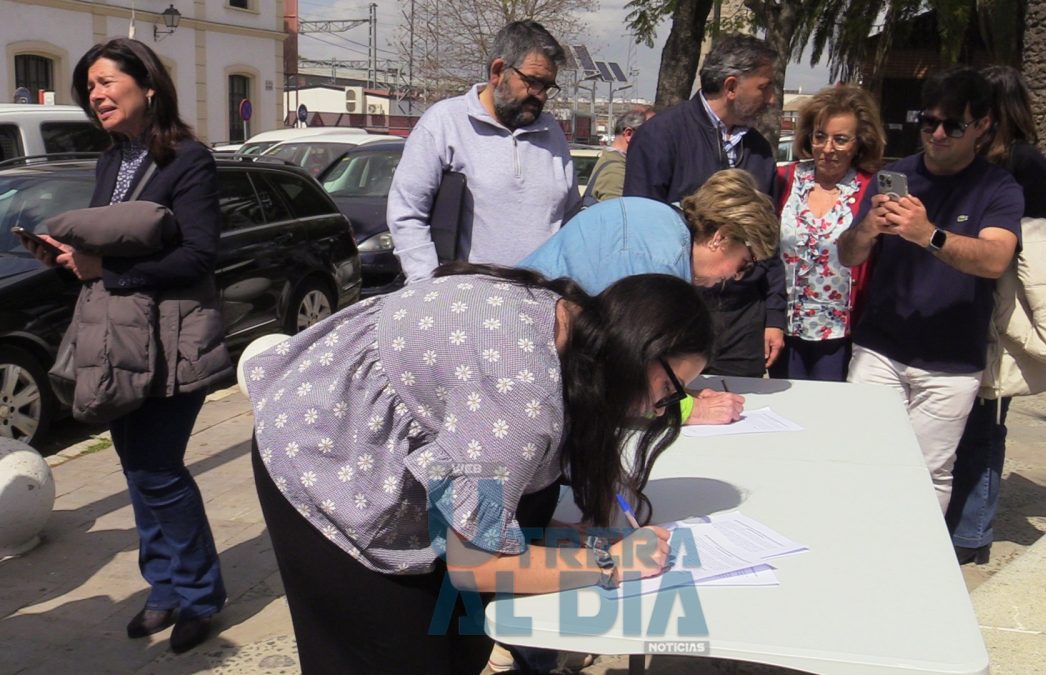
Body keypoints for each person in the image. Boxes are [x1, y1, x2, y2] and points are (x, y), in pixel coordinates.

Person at [244, 265, 713, 672]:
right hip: (320, 457)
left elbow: (478, 489)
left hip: (355, 432)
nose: (662, 410)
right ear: (640, 350)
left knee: (456, 643)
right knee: (388, 655)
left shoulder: (569, 321)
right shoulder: (522, 398)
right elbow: (475, 565)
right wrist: (610, 562)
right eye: (673, 389)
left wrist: (568, 537)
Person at [23, 39, 232, 653]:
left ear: (148, 86)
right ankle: (164, 589)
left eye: (108, 82)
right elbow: (108, 246)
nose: (96, 94)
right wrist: (70, 259)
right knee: (138, 470)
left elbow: (199, 254)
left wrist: (109, 273)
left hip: (173, 338)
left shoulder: (189, 159)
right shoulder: (110, 162)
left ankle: (198, 595)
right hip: (120, 339)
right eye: (89, 86)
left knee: (157, 468)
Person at [837, 66, 1023, 513]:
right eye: (928, 122)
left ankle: (911, 568)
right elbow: (847, 256)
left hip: (951, 363)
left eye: (952, 125)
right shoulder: (896, 175)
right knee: (860, 458)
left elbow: (996, 258)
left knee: (928, 472)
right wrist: (868, 229)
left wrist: (928, 235)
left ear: (981, 127)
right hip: (880, 349)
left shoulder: (998, 187)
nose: (937, 134)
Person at [946, 65, 1046, 564]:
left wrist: (1006, 235)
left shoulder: (1025, 164)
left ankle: (971, 534)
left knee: (984, 425)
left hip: (999, 319)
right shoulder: (962, 160)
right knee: (958, 426)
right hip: (959, 308)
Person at [520, 169, 779, 424]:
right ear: (720, 237)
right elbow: (623, 375)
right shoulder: (656, 260)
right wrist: (688, 410)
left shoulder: (661, 226)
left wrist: (677, 392)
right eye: (745, 263)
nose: (737, 276)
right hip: (523, 365)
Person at [623, 33, 785, 378]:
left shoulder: (759, 150)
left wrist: (774, 316)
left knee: (743, 417)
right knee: (673, 412)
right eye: (764, 87)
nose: (771, 99)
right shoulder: (661, 137)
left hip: (742, 318)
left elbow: (769, 239)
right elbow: (638, 236)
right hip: (677, 313)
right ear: (731, 86)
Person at [387, 20, 576, 283]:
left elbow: (570, 220)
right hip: (467, 305)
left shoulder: (552, 133)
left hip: (542, 305)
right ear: (498, 71)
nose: (541, 96)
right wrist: (428, 286)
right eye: (533, 82)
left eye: (547, 86)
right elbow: (406, 213)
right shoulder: (445, 123)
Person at [769, 85, 886, 381]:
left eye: (841, 139)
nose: (828, 148)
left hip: (842, 335)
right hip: (786, 329)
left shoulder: (871, 189)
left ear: (860, 143)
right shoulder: (784, 180)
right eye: (820, 136)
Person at [582, 109, 647, 204]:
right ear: (629, 134)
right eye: (648, 136)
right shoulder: (616, 171)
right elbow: (618, 215)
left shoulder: (611, 160)